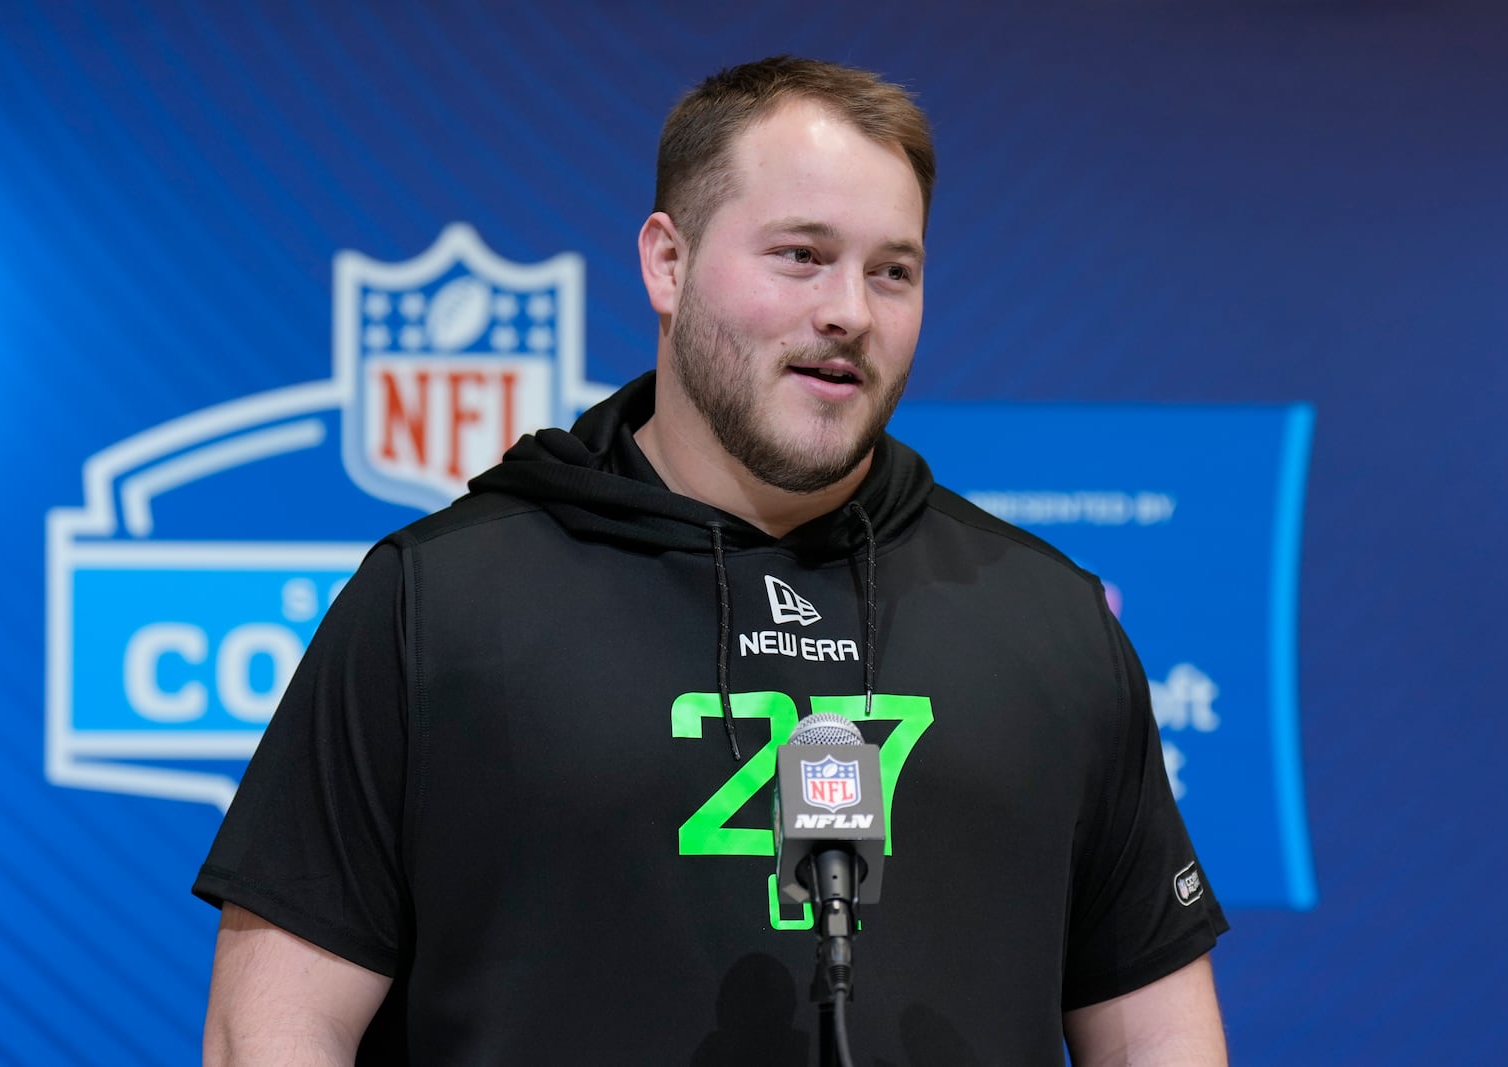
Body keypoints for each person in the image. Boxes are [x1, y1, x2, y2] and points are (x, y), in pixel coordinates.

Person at [196, 56, 1229, 1065]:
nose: (850, 312)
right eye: (799, 255)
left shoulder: (1046, 619)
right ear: (667, 261)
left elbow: (1154, 1028)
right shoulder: (440, 599)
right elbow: (273, 1026)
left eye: (892, 271)